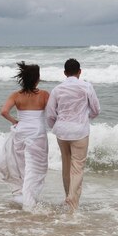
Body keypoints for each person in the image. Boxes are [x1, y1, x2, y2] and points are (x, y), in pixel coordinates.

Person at [0, 62, 50, 208]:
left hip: (21, 131)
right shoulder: (44, 95)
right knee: (36, 166)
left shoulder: (16, 95)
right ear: (37, 78)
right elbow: (52, 113)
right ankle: (30, 199)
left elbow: (4, 111)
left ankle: (23, 195)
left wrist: (15, 121)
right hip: (37, 133)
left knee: (21, 165)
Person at [46, 58, 100, 211]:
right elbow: (96, 109)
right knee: (77, 168)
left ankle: (70, 202)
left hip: (61, 132)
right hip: (80, 131)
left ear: (64, 73)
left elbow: (50, 114)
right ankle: (71, 197)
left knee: (66, 165)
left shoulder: (57, 89)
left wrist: (56, 127)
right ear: (79, 72)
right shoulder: (86, 87)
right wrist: (85, 117)